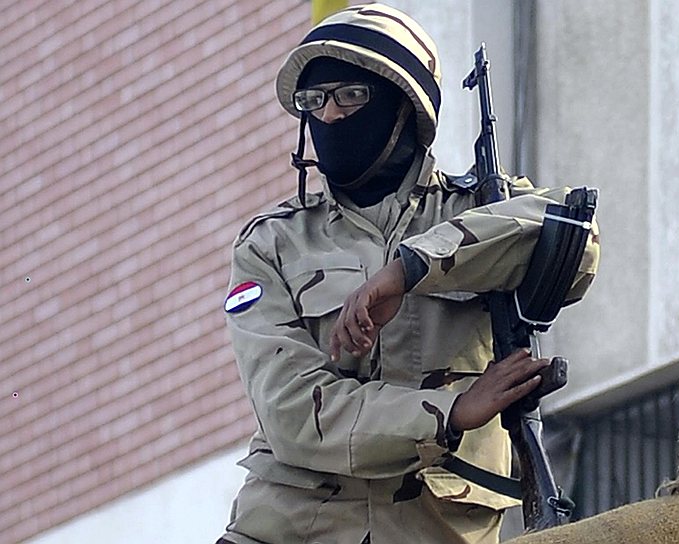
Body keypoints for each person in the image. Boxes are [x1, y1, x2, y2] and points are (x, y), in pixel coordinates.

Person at [217, 4, 600, 544]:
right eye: (314, 101)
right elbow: (292, 412)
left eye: (351, 95)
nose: (330, 116)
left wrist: (413, 268)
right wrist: (450, 412)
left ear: (404, 105)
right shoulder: (271, 244)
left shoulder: (482, 207)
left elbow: (575, 235)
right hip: (292, 529)